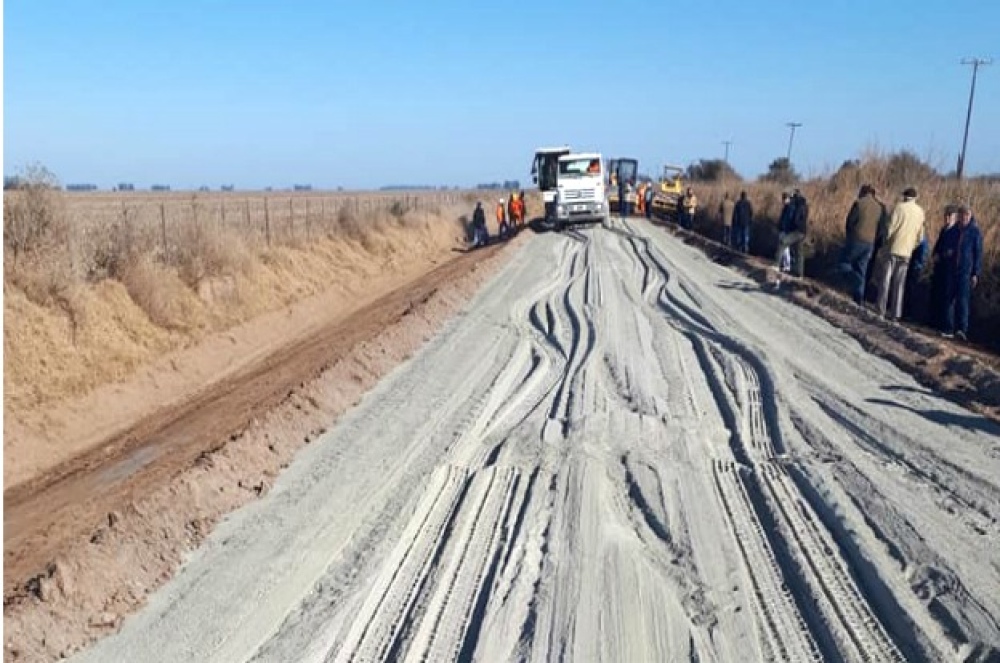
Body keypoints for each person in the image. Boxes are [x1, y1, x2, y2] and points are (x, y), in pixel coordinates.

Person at [876, 187, 925, 320]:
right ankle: (895, 314)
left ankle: (881, 309)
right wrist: (911, 246)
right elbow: (920, 237)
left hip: (893, 249)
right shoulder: (920, 212)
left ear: (904, 196)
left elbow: (890, 228)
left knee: (886, 280)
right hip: (907, 252)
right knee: (900, 283)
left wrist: (885, 243)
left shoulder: (899, 208)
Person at [838, 185, 888, 305]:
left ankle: (855, 282)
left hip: (856, 239)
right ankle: (859, 297)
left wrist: (849, 237)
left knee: (843, 263)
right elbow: (882, 228)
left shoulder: (859, 203)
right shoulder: (880, 208)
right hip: (870, 243)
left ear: (863, 192)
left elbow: (850, 222)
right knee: (862, 269)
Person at [941, 204, 983, 340]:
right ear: (958, 216)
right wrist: (947, 253)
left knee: (963, 301)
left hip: (966, 271)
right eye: (962, 215)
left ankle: (962, 330)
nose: (964, 217)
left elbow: (978, 253)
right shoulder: (953, 231)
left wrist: (976, 273)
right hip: (952, 268)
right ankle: (948, 328)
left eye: (967, 215)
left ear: (970, 216)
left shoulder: (975, 232)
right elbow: (945, 246)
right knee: (948, 298)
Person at [931, 205, 959, 330]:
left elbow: (954, 250)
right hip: (940, 266)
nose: (947, 218)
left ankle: (946, 325)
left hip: (949, 267)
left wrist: (946, 254)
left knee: (947, 295)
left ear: (954, 217)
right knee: (938, 292)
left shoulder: (956, 231)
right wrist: (935, 254)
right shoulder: (944, 230)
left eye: (950, 216)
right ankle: (934, 321)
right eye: (946, 216)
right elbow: (938, 245)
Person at [774, 189, 808, 284]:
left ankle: (776, 265)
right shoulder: (802, 205)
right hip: (801, 231)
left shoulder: (798, 205)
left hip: (797, 231)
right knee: (799, 252)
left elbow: (794, 218)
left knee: (783, 242)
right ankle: (799, 273)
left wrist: (793, 225)